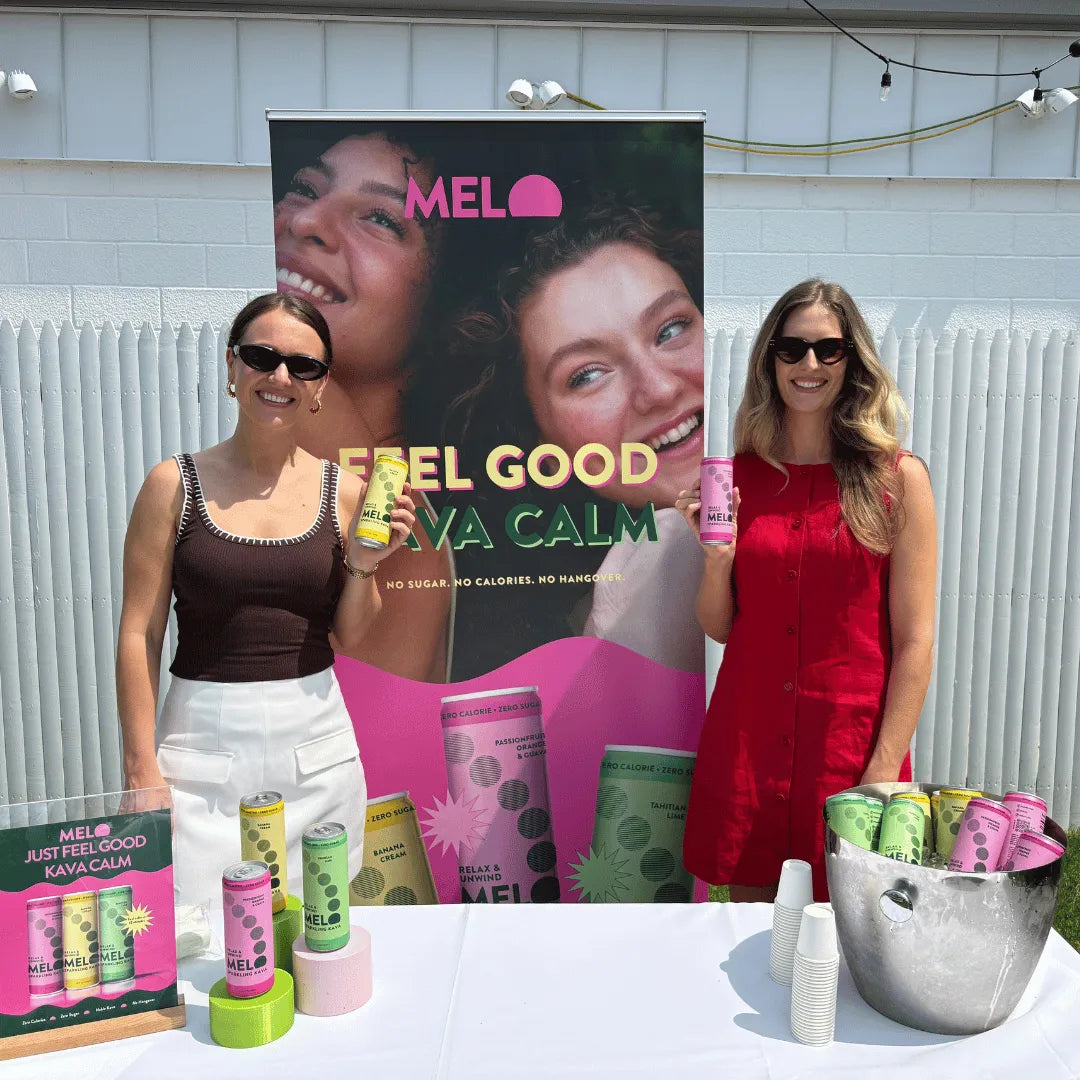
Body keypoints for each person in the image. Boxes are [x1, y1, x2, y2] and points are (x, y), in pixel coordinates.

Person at [116, 293, 416, 906]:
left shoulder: (350, 492)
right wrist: (141, 770)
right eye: (262, 356)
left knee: (319, 940)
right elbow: (138, 634)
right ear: (232, 367)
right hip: (200, 751)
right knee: (198, 940)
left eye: (302, 366)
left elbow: (352, 637)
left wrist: (362, 567)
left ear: (319, 386)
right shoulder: (172, 485)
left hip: (316, 747)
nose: (280, 376)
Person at [676, 279, 937, 903]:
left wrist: (881, 773)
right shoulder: (738, 479)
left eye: (828, 348)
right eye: (790, 350)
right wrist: (718, 560)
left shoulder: (899, 480)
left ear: (854, 359)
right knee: (749, 940)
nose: (809, 365)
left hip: (847, 749)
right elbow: (719, 626)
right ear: (770, 362)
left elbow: (918, 640)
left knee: (849, 946)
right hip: (751, 746)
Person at [446, 201, 706, 675]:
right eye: (587, 375)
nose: (660, 389)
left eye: (671, 329)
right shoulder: (555, 641)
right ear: (535, 439)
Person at [272, 126, 454, 682]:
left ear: (442, 304)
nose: (305, 221)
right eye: (305, 187)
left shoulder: (398, 528)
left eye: (379, 218)